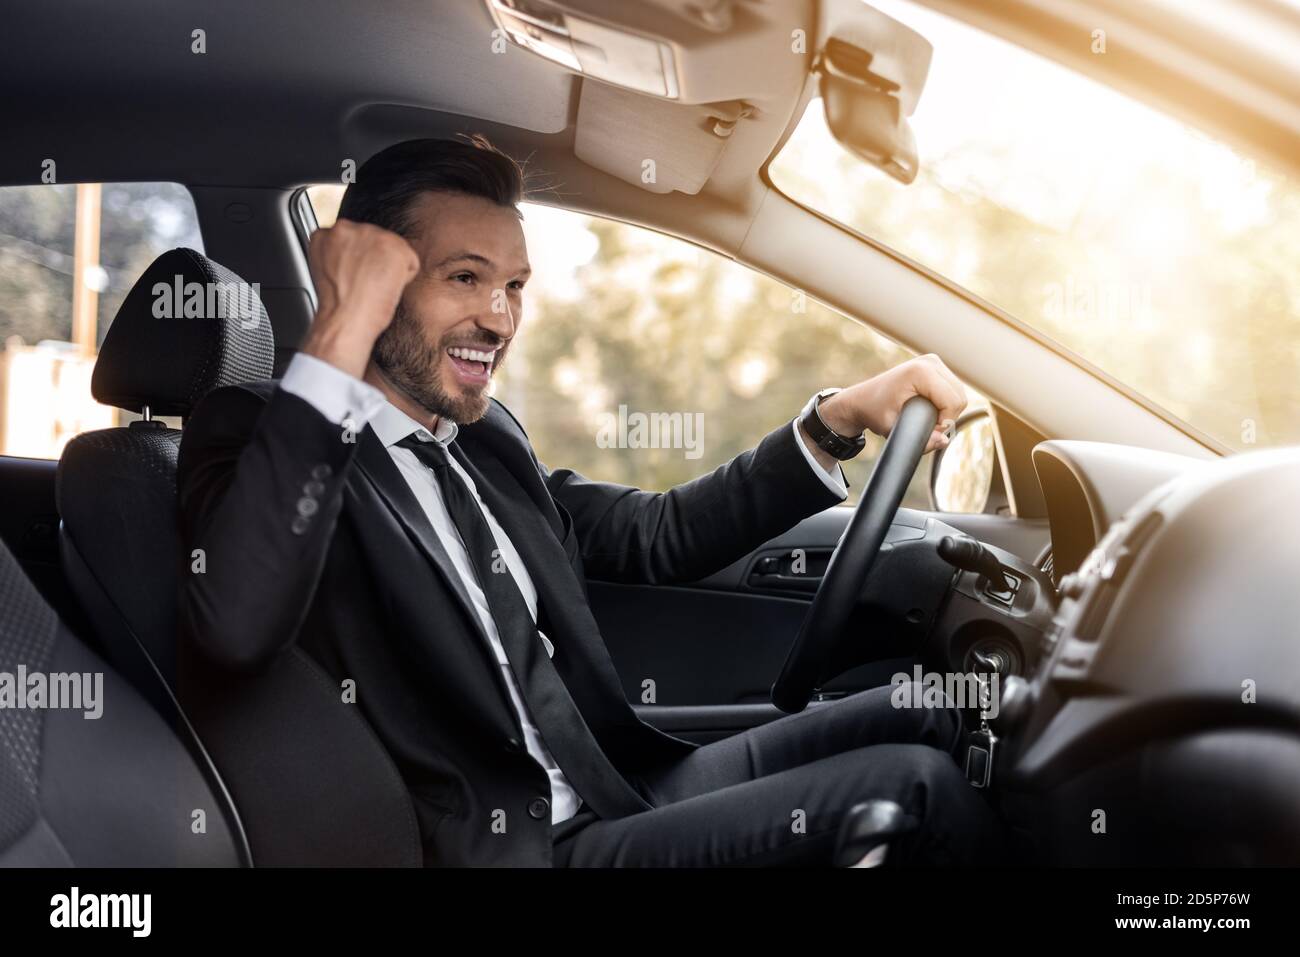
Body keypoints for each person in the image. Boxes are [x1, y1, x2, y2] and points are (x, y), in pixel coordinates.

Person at [177, 135, 1002, 867]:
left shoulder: (483, 441)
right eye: (465, 277)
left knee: (929, 710)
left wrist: (838, 419)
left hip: (616, 787)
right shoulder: (261, 443)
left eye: (515, 286)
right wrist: (340, 329)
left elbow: (657, 537)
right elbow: (240, 619)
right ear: (373, 284)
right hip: (519, 845)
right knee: (919, 785)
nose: (499, 318)